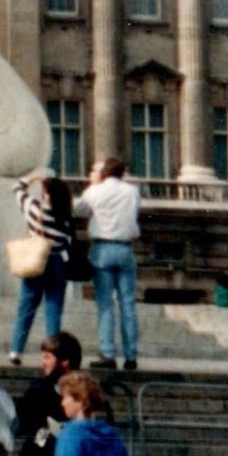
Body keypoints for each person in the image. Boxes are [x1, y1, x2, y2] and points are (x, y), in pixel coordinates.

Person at [74, 157, 142, 369]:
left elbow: (79, 211)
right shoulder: (133, 191)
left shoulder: (95, 191)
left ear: (104, 172)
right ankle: (131, 356)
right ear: (122, 173)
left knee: (105, 305)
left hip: (102, 247)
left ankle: (108, 353)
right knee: (128, 304)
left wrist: (93, 186)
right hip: (125, 248)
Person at [10, 170, 76, 363]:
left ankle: (16, 350)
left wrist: (32, 178)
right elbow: (68, 244)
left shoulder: (34, 208)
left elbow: (17, 188)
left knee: (27, 307)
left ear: (47, 194)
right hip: (57, 262)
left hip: (36, 259)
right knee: (53, 309)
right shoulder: (66, 216)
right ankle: (53, 353)